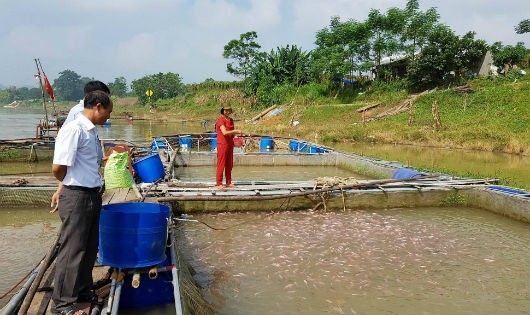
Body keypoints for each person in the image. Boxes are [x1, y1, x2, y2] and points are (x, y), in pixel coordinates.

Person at [51, 90, 113, 315]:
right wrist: (71, 184)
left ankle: (84, 293)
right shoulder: (74, 129)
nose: (108, 117)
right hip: (77, 195)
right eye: (107, 112)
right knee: (72, 251)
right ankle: (63, 304)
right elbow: (58, 168)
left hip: (91, 194)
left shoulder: (91, 132)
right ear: (97, 106)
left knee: (89, 248)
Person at [51, 81, 110, 212]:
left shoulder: (90, 125)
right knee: (76, 231)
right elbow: (61, 165)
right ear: (97, 103)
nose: (109, 116)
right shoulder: (78, 119)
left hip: (87, 190)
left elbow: (83, 153)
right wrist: (68, 186)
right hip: (79, 192)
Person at [215, 105, 242, 190]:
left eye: (229, 110)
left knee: (229, 164)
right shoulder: (220, 120)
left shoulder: (231, 120)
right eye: (225, 110)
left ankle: (228, 182)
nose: (227, 112)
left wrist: (236, 136)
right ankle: (219, 183)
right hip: (222, 144)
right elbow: (225, 132)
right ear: (222, 111)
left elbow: (231, 133)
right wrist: (236, 131)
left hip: (230, 144)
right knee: (221, 164)